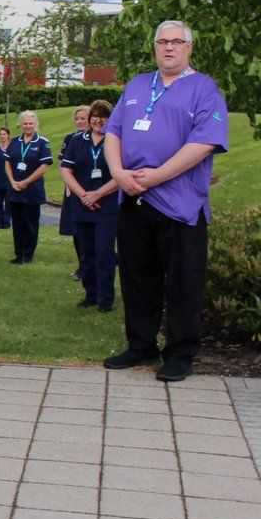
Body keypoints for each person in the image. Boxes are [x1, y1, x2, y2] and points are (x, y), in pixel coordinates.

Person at [102, 20, 229, 382]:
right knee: (137, 277)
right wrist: (119, 173)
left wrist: (157, 176)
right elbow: (113, 132)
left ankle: (180, 353)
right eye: (162, 42)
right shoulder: (138, 84)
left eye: (176, 41)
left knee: (183, 282)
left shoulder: (204, 89)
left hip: (180, 205)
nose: (168, 47)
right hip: (134, 199)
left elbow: (204, 143)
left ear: (189, 47)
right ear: (155, 46)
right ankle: (141, 345)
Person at [60, 100, 119, 312]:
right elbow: (66, 170)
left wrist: (98, 194)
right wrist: (83, 195)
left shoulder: (116, 140)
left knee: (104, 253)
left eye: (103, 116)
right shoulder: (77, 140)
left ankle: (105, 299)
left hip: (107, 205)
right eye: (95, 116)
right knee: (86, 253)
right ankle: (90, 294)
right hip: (82, 204)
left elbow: (121, 174)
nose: (98, 120)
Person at [3, 110, 52, 265]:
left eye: (30, 123)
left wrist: (26, 182)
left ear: (36, 124)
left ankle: (28, 254)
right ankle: (18, 254)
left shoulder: (42, 142)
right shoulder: (14, 142)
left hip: (32, 190)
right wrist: (12, 181)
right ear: (21, 125)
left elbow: (44, 166)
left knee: (30, 224)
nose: (28, 126)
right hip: (15, 190)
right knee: (17, 224)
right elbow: (7, 162)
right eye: (25, 123)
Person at [59, 105, 91, 280]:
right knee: (76, 230)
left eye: (83, 119)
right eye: (77, 119)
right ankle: (82, 266)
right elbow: (63, 164)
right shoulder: (70, 138)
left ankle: (92, 266)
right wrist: (68, 185)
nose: (79, 122)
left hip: (92, 189)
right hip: (73, 190)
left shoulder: (100, 139)